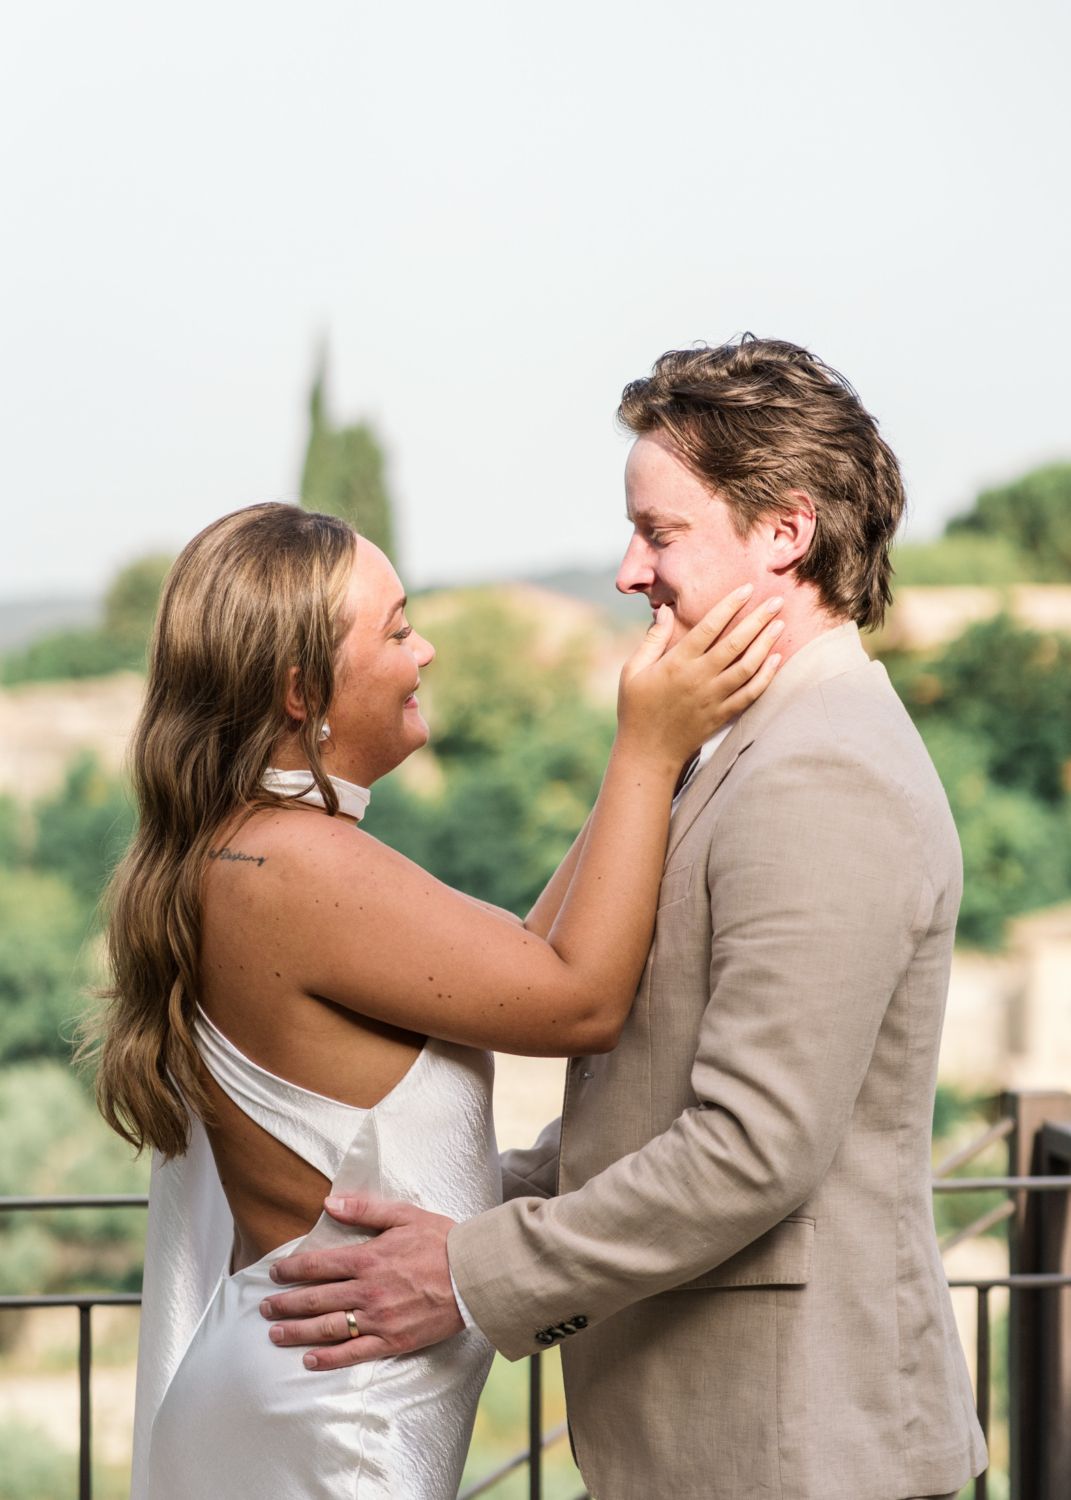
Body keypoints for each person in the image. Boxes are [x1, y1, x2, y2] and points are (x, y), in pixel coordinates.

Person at [261, 338, 988, 1500]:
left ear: (784, 533)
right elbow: (654, 1108)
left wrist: (467, 1272)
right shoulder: (749, 747)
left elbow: (752, 1150)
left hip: (800, 1453)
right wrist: (454, 1204)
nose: (627, 570)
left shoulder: (822, 769)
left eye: (661, 532)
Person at [92, 499, 782, 1500]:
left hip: (313, 1402)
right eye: (398, 627)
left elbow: (527, 955)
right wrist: (646, 748)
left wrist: (662, 757)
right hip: (333, 1426)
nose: (425, 653)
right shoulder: (291, 866)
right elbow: (580, 1002)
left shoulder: (254, 852)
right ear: (301, 690)